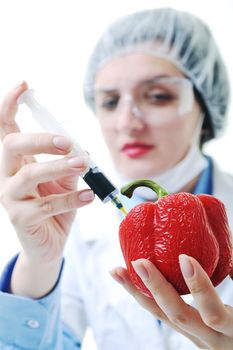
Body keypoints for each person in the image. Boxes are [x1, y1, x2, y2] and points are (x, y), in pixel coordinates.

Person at [0, 7, 232, 350]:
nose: (126, 122)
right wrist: (40, 263)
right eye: (109, 101)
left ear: (205, 105)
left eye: (157, 96)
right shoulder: (83, 229)